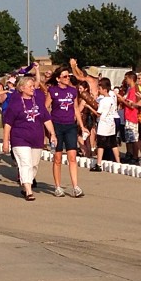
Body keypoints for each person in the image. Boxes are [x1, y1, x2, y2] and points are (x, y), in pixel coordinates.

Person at [2, 75, 56, 201]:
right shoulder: (15, 104)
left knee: (34, 164)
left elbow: (46, 118)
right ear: (22, 88)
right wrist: (6, 141)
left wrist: (52, 134)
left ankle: (25, 184)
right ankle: (28, 191)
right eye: (30, 86)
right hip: (20, 138)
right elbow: (8, 124)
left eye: (33, 86)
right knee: (25, 163)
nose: (33, 88)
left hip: (36, 138)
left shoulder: (38, 102)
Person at [46, 66, 85, 197]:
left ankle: (75, 186)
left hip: (70, 126)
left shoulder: (73, 91)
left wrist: (81, 125)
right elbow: (45, 109)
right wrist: (48, 127)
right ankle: (57, 186)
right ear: (58, 79)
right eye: (64, 76)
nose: (67, 78)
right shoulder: (52, 91)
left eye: (68, 76)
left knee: (72, 157)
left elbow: (75, 109)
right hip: (56, 126)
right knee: (57, 158)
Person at [90, 78, 120, 171]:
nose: (99, 90)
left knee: (101, 145)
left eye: (100, 88)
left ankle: (99, 164)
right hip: (111, 123)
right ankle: (118, 162)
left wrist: (90, 108)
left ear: (104, 89)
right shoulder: (112, 99)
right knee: (113, 143)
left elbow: (99, 113)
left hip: (103, 124)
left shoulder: (103, 101)